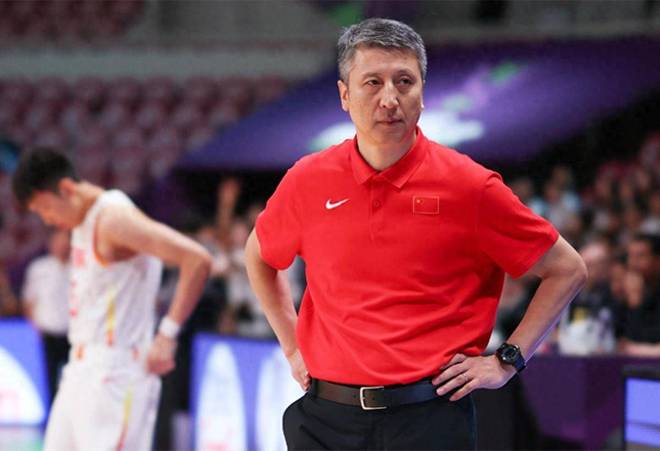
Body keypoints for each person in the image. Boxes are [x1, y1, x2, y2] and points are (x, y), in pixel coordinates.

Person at [245, 18, 587, 450]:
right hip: (325, 419)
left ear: (422, 92)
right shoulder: (307, 180)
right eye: (373, 82)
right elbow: (259, 255)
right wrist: (292, 346)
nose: (390, 98)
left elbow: (567, 269)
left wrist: (509, 359)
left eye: (404, 81)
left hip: (428, 420)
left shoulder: (470, 186)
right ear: (345, 95)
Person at [12, 148, 212, 451]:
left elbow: (196, 259)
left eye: (45, 208)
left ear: (66, 189)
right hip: (80, 368)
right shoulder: (83, 220)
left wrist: (167, 335)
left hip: (116, 373)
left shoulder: (114, 219)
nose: (48, 220)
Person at [22, 229, 72, 404]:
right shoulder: (39, 268)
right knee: (48, 377)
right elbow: (29, 300)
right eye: (58, 242)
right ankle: (51, 412)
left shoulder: (79, 268)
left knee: (73, 379)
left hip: (72, 333)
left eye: (65, 242)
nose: (62, 246)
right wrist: (34, 327)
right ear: (51, 244)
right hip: (48, 332)